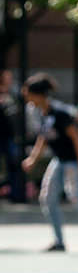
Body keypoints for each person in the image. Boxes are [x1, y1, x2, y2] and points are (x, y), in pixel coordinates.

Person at [20, 74, 78, 253]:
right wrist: (33, 159)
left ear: (38, 94)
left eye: (28, 94)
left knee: (77, 198)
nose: (26, 98)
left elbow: (76, 138)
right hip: (59, 161)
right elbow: (43, 138)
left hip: (73, 162)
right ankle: (59, 241)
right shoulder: (42, 113)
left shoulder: (59, 113)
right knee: (47, 198)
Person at [0, 70, 26, 204]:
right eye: (7, 78)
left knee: (14, 166)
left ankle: (16, 195)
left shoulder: (14, 95)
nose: (10, 80)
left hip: (10, 136)